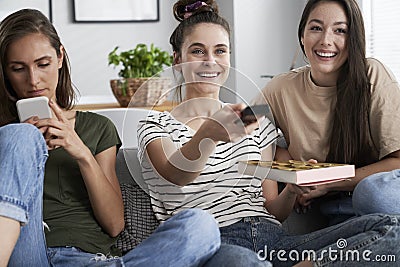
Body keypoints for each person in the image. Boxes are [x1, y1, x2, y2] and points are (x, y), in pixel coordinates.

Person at [138, 0, 400, 266]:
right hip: (216, 242)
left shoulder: (255, 122)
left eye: (220, 51)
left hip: (274, 240)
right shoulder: (155, 125)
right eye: (197, 51)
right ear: (177, 60)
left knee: (391, 230)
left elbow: (273, 211)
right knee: (242, 262)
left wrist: (292, 190)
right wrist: (208, 134)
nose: (210, 61)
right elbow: (177, 174)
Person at [0, 8, 223, 267]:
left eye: (43, 64)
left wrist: (80, 151)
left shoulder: (97, 127)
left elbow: (115, 225)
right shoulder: (7, 137)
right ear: (5, 72)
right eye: (18, 69)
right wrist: (20, 145)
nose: (33, 79)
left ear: (60, 57)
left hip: (87, 260)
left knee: (201, 225)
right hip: (26, 256)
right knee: (22, 135)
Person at [252, 0, 400, 222]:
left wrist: (326, 182)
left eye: (340, 30)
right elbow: (235, 129)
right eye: (316, 28)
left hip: (378, 196)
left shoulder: (373, 75)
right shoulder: (281, 88)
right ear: (302, 35)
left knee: (371, 194)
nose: (325, 41)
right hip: (337, 211)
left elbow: (397, 162)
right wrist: (285, 157)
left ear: (354, 40)